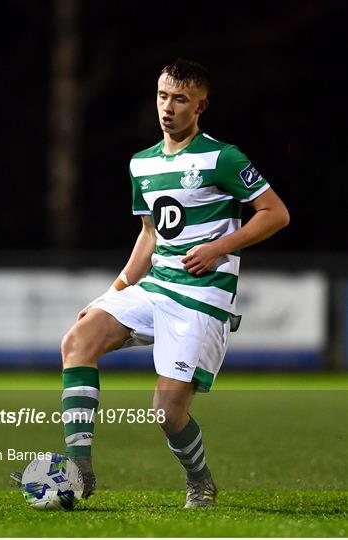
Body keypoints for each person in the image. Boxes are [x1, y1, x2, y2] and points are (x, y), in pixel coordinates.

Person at [59, 58, 289, 508]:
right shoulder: (141, 163)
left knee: (167, 413)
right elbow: (149, 236)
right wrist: (114, 293)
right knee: (77, 339)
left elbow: (276, 214)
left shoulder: (224, 157)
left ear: (200, 105)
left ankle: (200, 480)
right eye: (163, 96)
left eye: (180, 99)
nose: (168, 107)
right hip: (156, 288)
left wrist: (219, 248)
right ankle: (78, 470)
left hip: (201, 300)